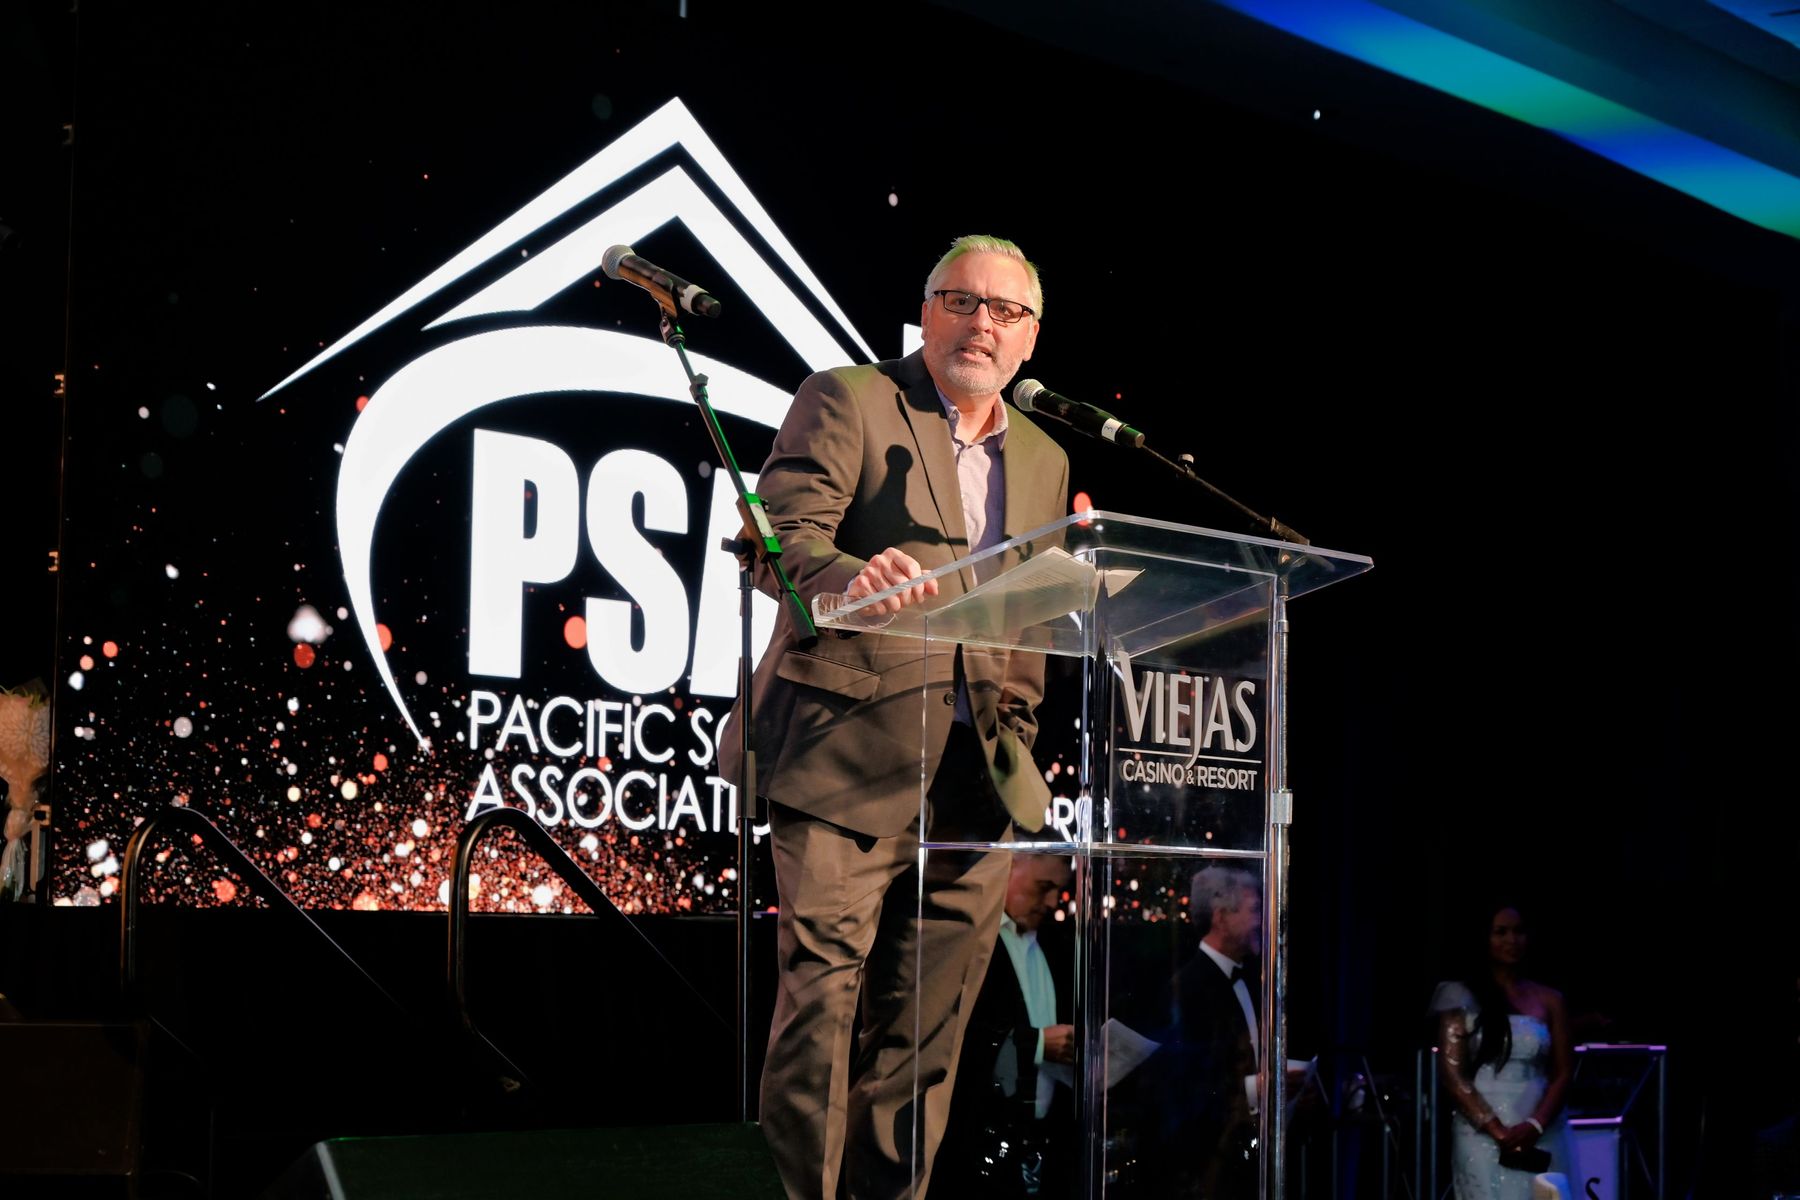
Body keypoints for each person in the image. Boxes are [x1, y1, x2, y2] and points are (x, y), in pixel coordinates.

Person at [729, 234, 1071, 1200]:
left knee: (927, 1034)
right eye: (961, 300)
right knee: (822, 1008)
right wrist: (851, 582)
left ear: (1030, 339)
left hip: (975, 777)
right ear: (926, 313)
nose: (981, 323)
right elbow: (776, 538)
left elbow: (1032, 616)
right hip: (844, 753)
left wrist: (1019, 735)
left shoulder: (1043, 456)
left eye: (1006, 311)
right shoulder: (848, 398)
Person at [938, 853, 1076, 1198]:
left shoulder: (1058, 944)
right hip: (976, 1143)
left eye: (1059, 890)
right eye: (1043, 887)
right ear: (1010, 866)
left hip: (1046, 1143)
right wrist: (1037, 1044)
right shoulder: (969, 940)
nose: (1052, 902)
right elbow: (953, 1034)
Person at [1430, 902, 1573, 1200]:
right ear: (1484, 937)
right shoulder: (1460, 996)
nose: (1512, 940)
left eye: (1519, 932)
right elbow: (1453, 1074)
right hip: (1482, 1132)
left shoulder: (1550, 999)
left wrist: (1535, 1125)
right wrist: (1498, 1131)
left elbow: (1563, 1072)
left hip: (1540, 1127)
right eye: (1501, 932)